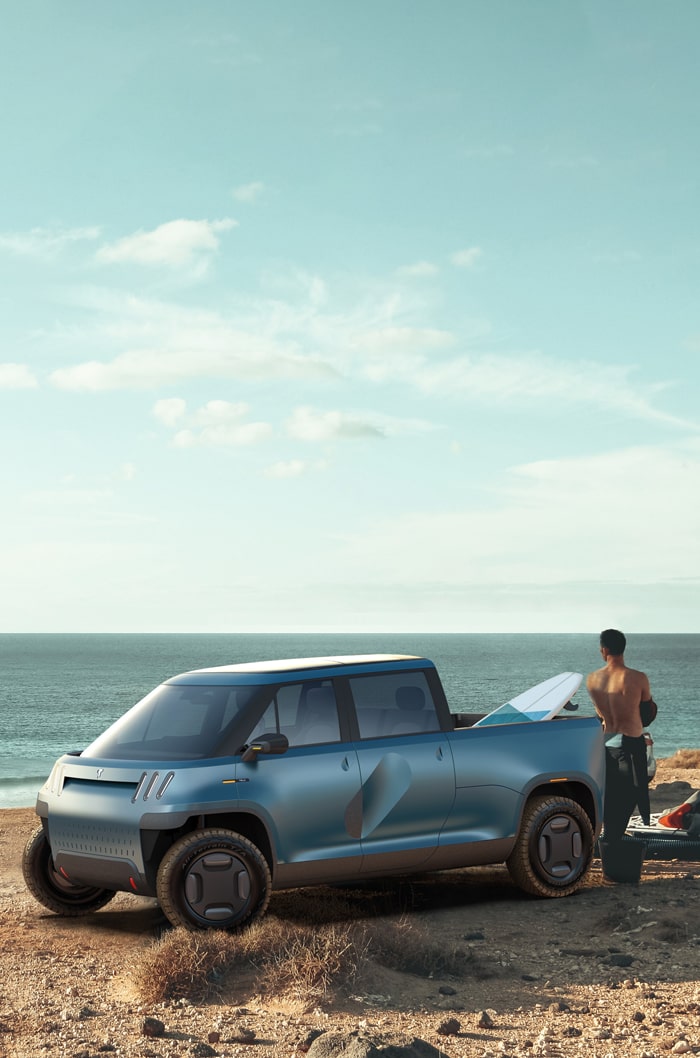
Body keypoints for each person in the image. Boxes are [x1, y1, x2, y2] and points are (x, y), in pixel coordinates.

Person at [586, 628, 656, 840]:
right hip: (631, 741)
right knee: (633, 792)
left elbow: (600, 714)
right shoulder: (638, 678)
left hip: (606, 742)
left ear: (604, 650)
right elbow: (647, 712)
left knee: (610, 792)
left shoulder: (592, 680)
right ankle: (613, 837)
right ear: (623, 648)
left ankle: (610, 833)